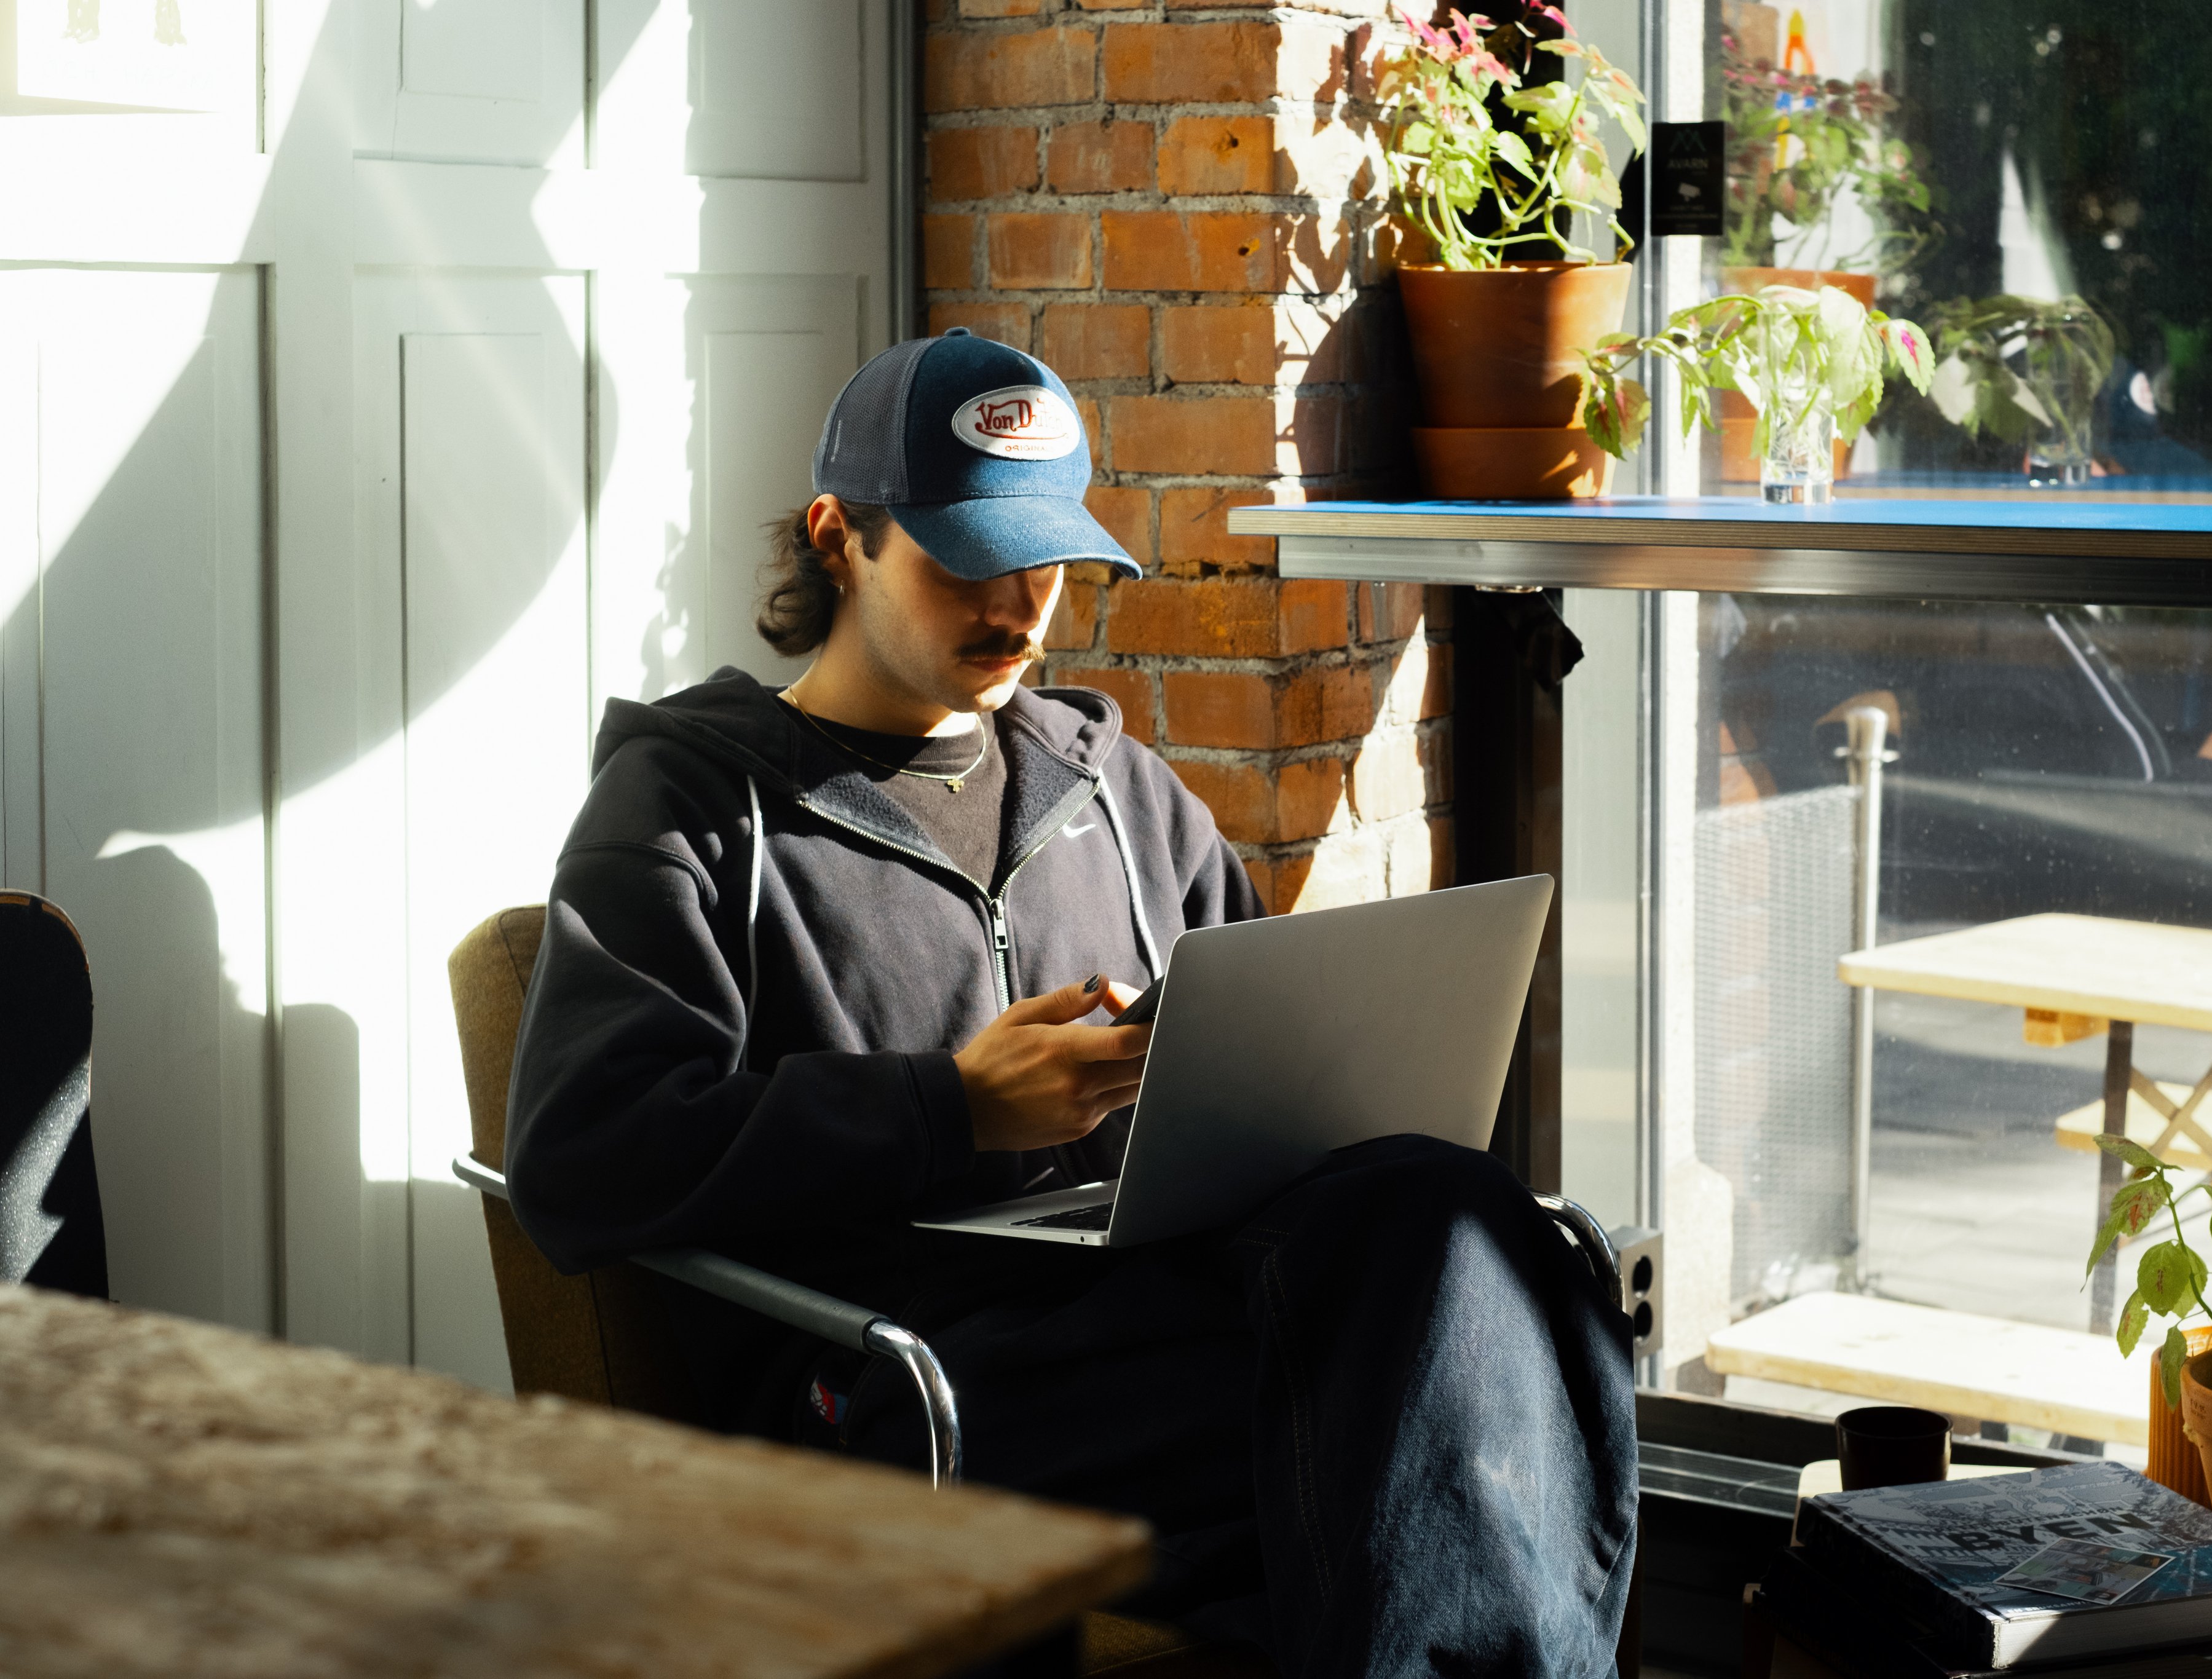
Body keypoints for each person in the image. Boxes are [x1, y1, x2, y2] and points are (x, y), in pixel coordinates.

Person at [504, 329, 1637, 1677]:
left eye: (1046, 562)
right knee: (1432, 1403)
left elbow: (1271, 1071)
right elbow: (581, 1154)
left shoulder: (1112, 788)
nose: (1018, 606)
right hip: (898, 1380)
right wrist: (951, 1108)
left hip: (1140, 1324)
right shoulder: (692, 807)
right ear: (836, 537)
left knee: (1466, 1236)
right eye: (968, 562)